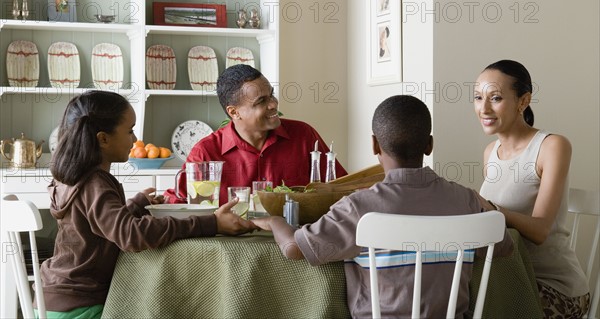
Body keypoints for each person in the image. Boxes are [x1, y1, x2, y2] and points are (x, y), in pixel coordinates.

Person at [252, 95, 513, 318]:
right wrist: (475, 197)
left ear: (374, 144)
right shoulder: (463, 200)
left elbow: (295, 249)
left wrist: (274, 220)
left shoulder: (359, 206)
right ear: (429, 145)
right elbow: (503, 247)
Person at [39, 91, 256, 318]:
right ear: (103, 139)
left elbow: (98, 225)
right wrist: (212, 224)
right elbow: (132, 235)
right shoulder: (96, 182)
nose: (134, 140)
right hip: (83, 306)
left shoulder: (72, 177)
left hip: (55, 298)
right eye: (130, 130)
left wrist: (136, 205)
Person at [474, 59, 590, 319]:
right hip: (505, 279)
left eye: (495, 98)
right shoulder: (490, 153)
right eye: (478, 97)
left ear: (523, 101)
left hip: (554, 288)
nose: (484, 108)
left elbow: (539, 231)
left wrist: (490, 208)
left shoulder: (552, 146)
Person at [164, 64, 347, 205]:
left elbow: (342, 187)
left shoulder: (304, 135)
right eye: (261, 101)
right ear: (234, 112)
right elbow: (179, 202)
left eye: (271, 95)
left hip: (298, 240)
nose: (274, 104)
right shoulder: (205, 152)